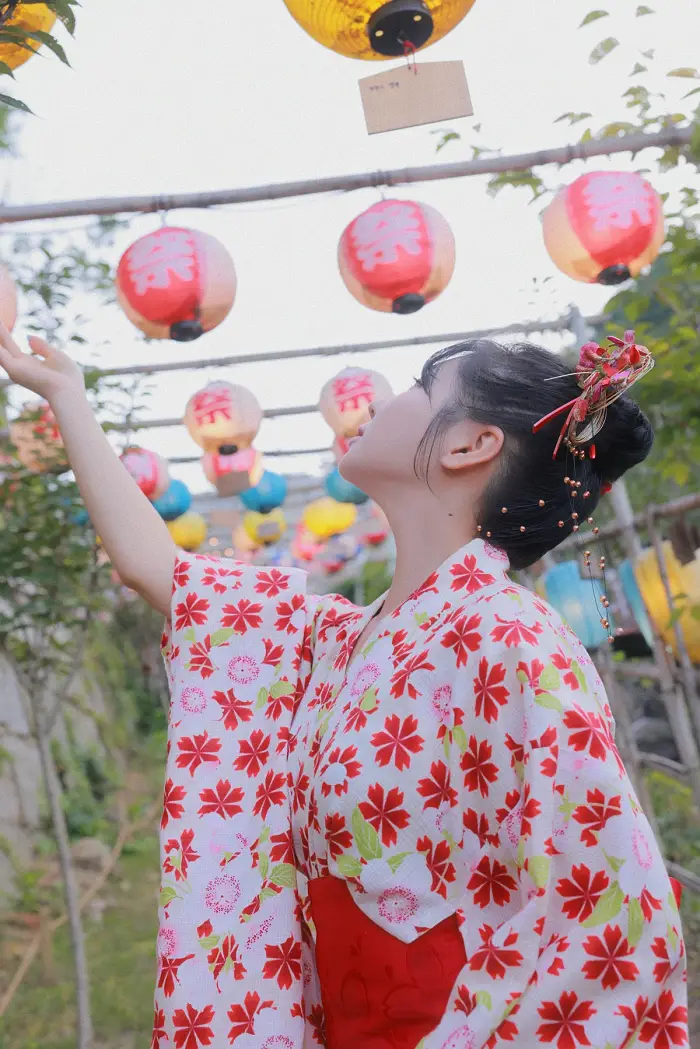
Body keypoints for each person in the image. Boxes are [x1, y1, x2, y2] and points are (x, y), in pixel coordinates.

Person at [0, 321, 688, 1049]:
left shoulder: (510, 636)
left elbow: (612, 912)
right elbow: (164, 572)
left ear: (469, 445)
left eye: (422, 386)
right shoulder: (342, 638)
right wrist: (66, 396)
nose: (386, 400)